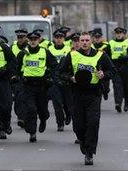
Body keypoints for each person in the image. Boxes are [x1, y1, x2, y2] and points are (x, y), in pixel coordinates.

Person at [57, 32, 115, 165]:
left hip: (93, 94)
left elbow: (112, 70)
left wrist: (104, 74)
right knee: (78, 126)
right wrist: (70, 78)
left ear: (91, 41)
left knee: (93, 122)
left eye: (86, 40)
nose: (84, 42)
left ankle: (89, 153)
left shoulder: (100, 54)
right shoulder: (72, 55)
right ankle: (83, 141)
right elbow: (60, 72)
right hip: (77, 93)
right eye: (82, 40)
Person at [17, 31, 57, 142]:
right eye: (31, 39)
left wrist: (51, 78)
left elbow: (54, 66)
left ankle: (43, 119)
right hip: (28, 86)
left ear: (39, 40)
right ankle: (32, 132)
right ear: (28, 40)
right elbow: (16, 68)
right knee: (31, 109)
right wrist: (16, 78)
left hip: (42, 86)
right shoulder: (23, 53)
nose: (33, 41)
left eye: (35, 39)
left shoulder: (45, 52)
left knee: (42, 109)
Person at [108, 27, 128, 113]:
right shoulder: (111, 43)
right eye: (117, 33)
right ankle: (118, 103)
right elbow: (106, 55)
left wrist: (125, 57)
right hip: (115, 67)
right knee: (117, 86)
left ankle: (126, 103)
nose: (118, 34)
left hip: (125, 67)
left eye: (120, 33)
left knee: (126, 86)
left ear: (123, 34)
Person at [48, 29, 72, 131]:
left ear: (63, 39)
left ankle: (68, 114)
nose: (58, 40)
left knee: (67, 102)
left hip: (65, 79)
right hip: (54, 78)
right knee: (57, 103)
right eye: (57, 38)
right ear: (54, 39)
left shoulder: (68, 49)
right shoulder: (49, 49)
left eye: (60, 38)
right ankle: (60, 123)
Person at [11, 28, 28, 128]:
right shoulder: (13, 47)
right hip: (17, 76)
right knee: (18, 98)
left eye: (22, 37)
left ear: (26, 37)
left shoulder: (30, 47)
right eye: (18, 37)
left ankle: (22, 118)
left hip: (28, 76)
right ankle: (20, 115)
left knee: (24, 97)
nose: (20, 39)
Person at [91, 28, 110, 100]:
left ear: (102, 38)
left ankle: (105, 92)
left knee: (106, 88)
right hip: (96, 68)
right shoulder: (91, 46)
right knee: (97, 86)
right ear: (93, 38)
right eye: (96, 37)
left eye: (99, 37)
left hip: (105, 68)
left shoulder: (107, 46)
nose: (97, 39)